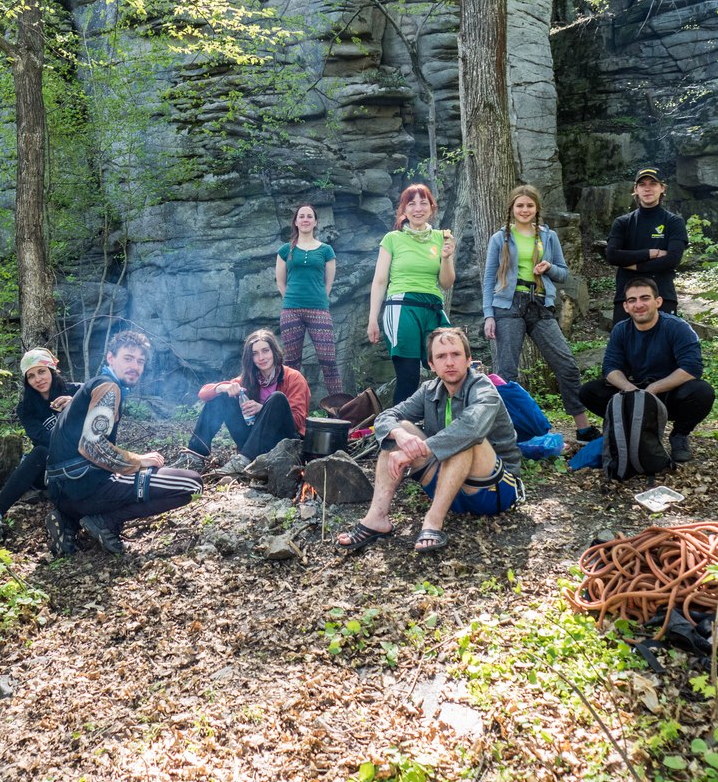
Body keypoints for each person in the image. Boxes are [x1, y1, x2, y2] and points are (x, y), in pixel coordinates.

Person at [336, 327, 524, 555]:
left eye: (456, 354)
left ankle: (433, 523)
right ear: (432, 365)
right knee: (400, 428)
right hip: (450, 487)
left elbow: (472, 428)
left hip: (493, 490)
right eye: (441, 356)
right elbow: (386, 417)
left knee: (464, 437)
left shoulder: (484, 388)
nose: (449, 362)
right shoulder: (429, 390)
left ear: (468, 359)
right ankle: (377, 518)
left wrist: (420, 449)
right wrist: (401, 436)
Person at [43, 330, 201, 556]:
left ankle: (69, 521)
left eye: (140, 361)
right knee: (192, 484)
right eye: (127, 358)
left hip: (62, 492)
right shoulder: (109, 387)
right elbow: (92, 446)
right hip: (85, 488)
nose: (135, 366)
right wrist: (139, 460)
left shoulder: (93, 385)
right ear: (110, 358)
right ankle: (105, 521)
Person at [482, 185, 599, 443]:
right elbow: (489, 277)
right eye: (520, 206)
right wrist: (488, 314)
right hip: (508, 305)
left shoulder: (548, 236)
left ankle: (582, 429)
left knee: (566, 364)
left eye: (529, 206)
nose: (525, 210)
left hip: (540, 305)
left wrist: (548, 268)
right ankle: (506, 434)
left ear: (537, 209)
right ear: (511, 209)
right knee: (507, 374)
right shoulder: (499, 238)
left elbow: (564, 274)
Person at [578, 277, 716, 463]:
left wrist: (653, 390)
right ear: (626, 306)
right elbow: (610, 368)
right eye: (632, 300)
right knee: (589, 392)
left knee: (702, 392)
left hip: (670, 394)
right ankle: (635, 429)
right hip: (635, 392)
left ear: (657, 302)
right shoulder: (621, 330)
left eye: (645, 298)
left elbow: (691, 368)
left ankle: (679, 436)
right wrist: (630, 389)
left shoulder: (677, 328)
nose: (639, 305)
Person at [367, 184, 456, 405]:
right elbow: (379, 281)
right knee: (409, 377)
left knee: (449, 367)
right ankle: (397, 431)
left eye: (423, 203)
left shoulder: (441, 237)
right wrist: (372, 319)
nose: (418, 208)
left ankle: (447, 424)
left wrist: (446, 257)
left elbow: (446, 283)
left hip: (433, 308)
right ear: (403, 210)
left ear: (431, 207)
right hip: (401, 307)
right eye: (412, 203)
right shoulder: (392, 239)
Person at [0, 348, 79, 543]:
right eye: (31, 376)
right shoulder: (26, 408)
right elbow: (42, 438)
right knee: (41, 451)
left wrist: (76, 403)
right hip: (48, 467)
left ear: (51, 370)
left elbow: (107, 397)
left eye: (41, 371)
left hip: (82, 461)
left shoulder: (75, 391)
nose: (38, 379)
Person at [183, 328, 311, 477]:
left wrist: (262, 409)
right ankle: (195, 455)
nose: (261, 357)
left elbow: (298, 422)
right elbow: (203, 393)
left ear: (274, 351)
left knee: (277, 398)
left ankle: (243, 461)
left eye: (265, 351)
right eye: (255, 354)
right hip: (252, 442)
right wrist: (223, 387)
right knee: (223, 395)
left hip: (282, 444)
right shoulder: (249, 378)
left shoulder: (294, 378)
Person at [605, 168, 688, 325]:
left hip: (662, 296)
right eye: (642, 184)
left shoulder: (674, 222)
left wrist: (634, 265)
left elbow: (672, 260)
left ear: (662, 188)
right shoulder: (622, 222)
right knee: (626, 347)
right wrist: (651, 253)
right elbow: (612, 255)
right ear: (635, 189)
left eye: (653, 183)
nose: (647, 188)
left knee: (662, 348)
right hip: (628, 298)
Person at [276, 204, 342, 396]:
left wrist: (317, 299)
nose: (305, 219)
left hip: (319, 310)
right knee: (291, 364)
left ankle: (340, 410)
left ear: (315, 222)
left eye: (309, 216)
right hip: (291, 310)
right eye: (301, 216)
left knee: (328, 361)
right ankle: (290, 408)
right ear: (296, 222)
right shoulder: (285, 250)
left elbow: (328, 284)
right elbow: (280, 282)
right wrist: (292, 300)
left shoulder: (326, 250)